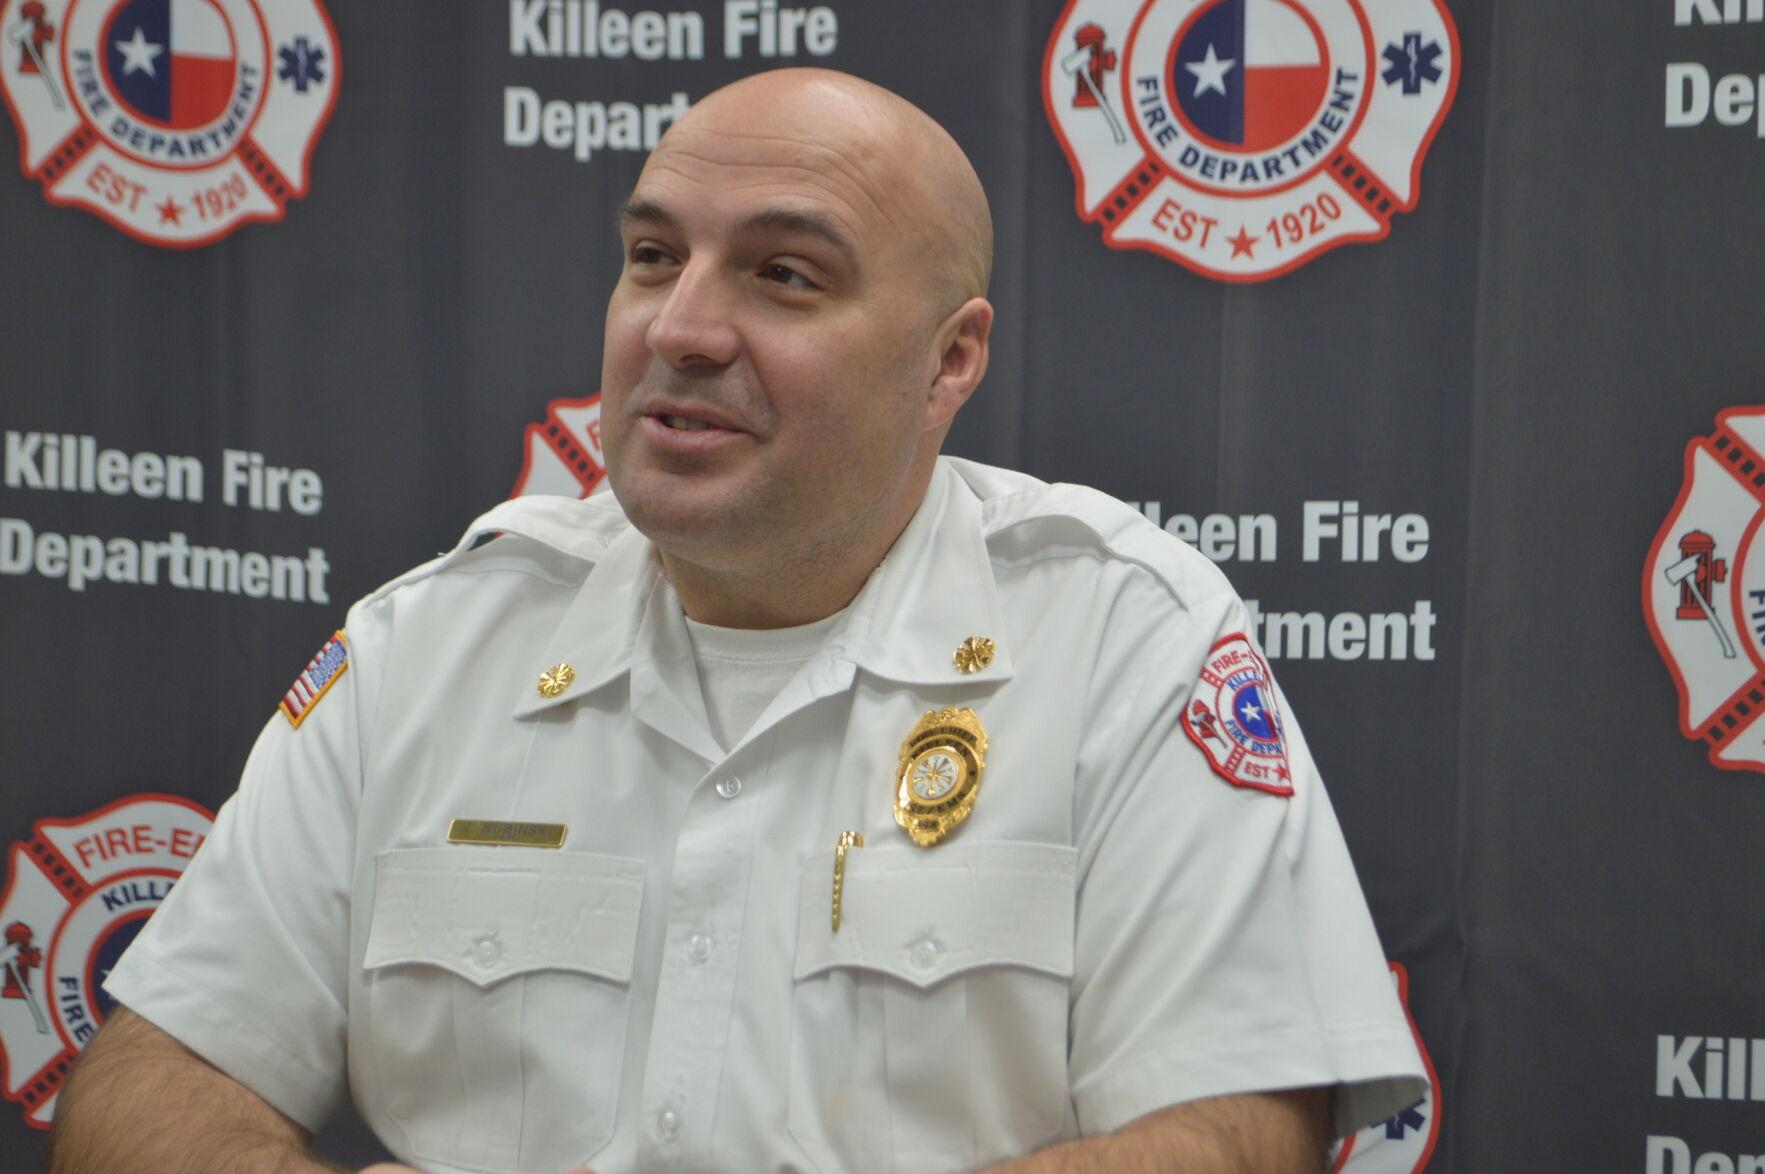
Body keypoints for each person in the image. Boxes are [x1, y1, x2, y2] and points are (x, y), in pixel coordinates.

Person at [47, 68, 1425, 1174]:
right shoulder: (429, 646)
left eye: (784, 276)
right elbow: (148, 1083)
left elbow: (1238, 1130)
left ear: (948, 360)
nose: (681, 328)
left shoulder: (1121, 636)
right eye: (653, 257)